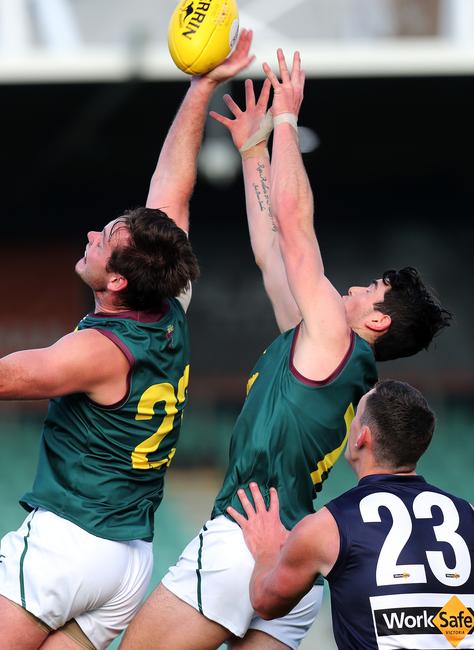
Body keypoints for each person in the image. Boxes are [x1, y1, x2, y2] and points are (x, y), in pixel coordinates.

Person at [0, 31, 256, 650]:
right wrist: (201, 87)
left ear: (117, 279)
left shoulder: (100, 351)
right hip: (126, 562)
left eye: (105, 237)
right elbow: (172, 185)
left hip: (68, 543)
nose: (92, 233)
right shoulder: (170, 303)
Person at [121, 50, 452, 650]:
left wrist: (285, 123)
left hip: (242, 537)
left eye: (368, 288)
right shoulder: (335, 358)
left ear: (377, 318)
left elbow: (296, 229)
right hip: (292, 554)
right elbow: (273, 252)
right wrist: (251, 152)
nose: (352, 286)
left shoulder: (334, 335)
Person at [228, 379, 474, 650]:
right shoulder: (468, 513)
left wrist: (266, 553)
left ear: (362, 436)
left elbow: (265, 603)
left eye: (355, 417)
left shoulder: (327, 527)